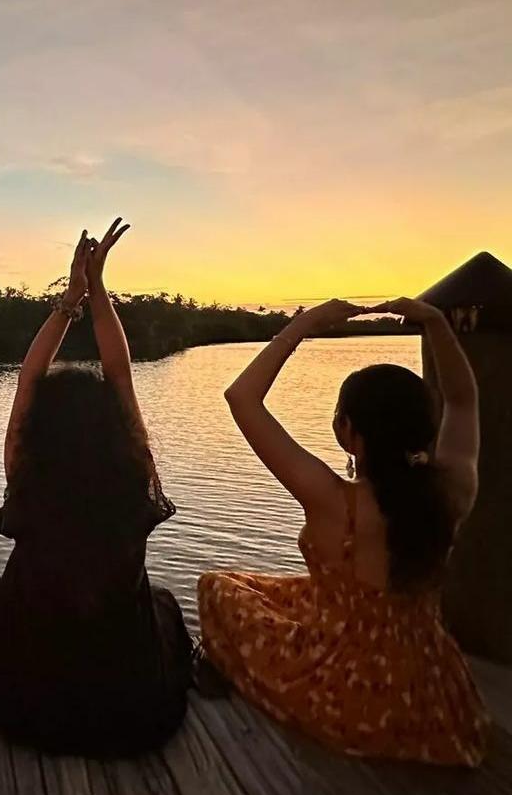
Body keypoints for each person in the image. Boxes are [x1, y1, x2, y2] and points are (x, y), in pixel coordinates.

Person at [198, 297, 489, 766]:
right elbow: (462, 399)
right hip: (432, 699)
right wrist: (436, 321)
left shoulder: (332, 498)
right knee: (293, 592)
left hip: (347, 696)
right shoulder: (452, 489)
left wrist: (306, 323)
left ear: (350, 433)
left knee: (218, 587)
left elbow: (242, 397)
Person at [0, 220, 193, 757]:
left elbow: (28, 378)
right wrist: (99, 289)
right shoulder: (134, 474)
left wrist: (70, 300)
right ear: (113, 427)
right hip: (131, 704)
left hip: (30, 698)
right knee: (164, 605)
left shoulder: (26, 471)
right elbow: (122, 375)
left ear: (42, 428)